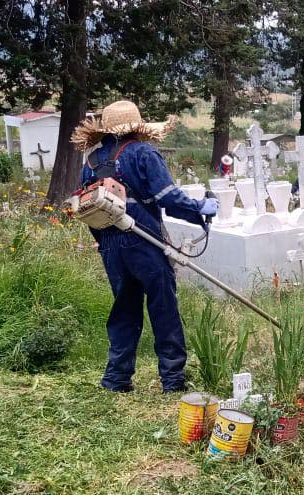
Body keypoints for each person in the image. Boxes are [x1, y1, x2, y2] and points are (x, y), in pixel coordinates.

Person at [72, 100, 219, 393]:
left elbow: (85, 208)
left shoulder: (90, 162)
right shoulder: (143, 153)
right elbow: (169, 199)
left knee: (124, 309)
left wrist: (104, 243)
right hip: (145, 240)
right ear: (137, 127)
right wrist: (201, 208)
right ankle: (173, 379)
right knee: (163, 307)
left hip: (111, 245)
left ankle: (116, 379)